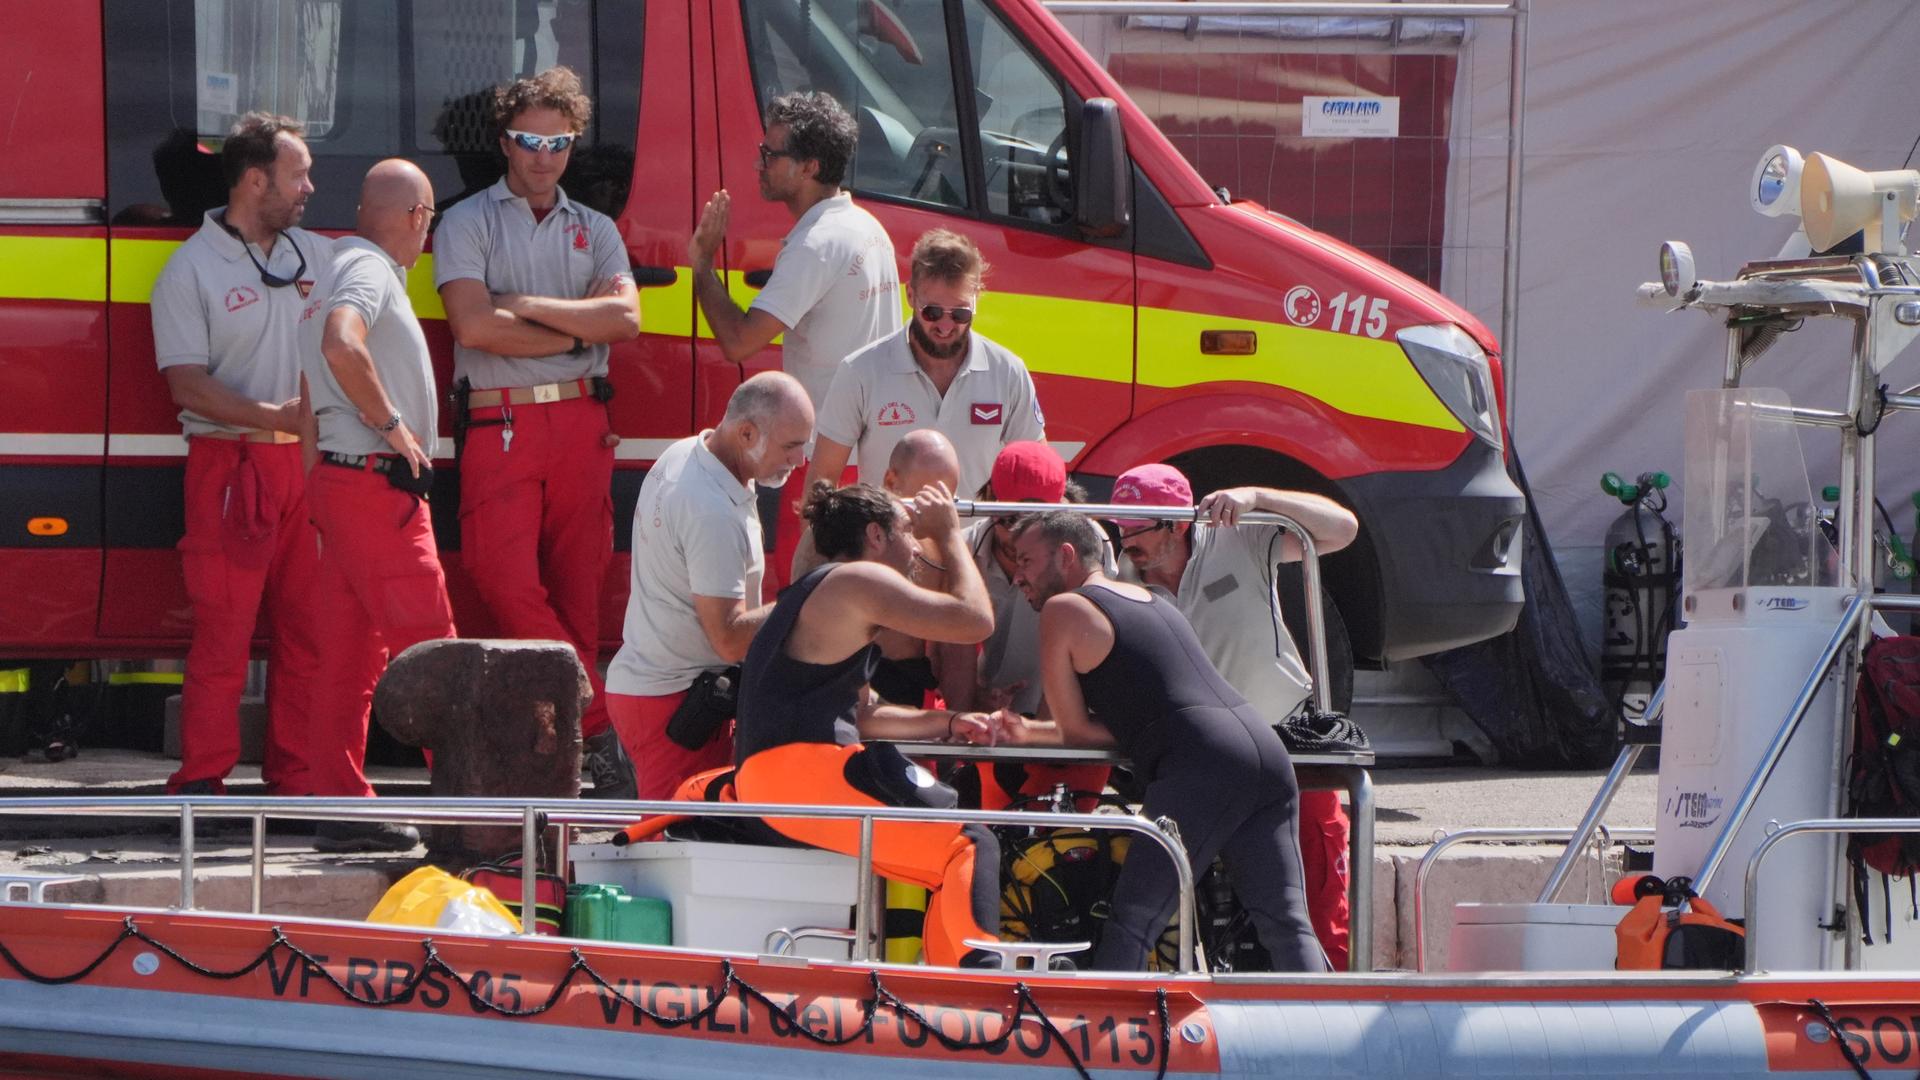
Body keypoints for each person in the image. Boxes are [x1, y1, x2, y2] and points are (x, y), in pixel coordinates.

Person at [998, 511, 1330, 973]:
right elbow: (1161, 714)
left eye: (1027, 561)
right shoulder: (1150, 597)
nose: (1017, 575)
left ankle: (1108, 1034)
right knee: (1286, 922)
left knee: (1133, 921)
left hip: (1201, 766)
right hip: (1261, 746)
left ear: (1067, 556)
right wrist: (1025, 730)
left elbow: (1073, 732)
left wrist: (1028, 730)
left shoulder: (1065, 609)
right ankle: (1323, 1033)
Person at [434, 66, 641, 798]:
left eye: (559, 142)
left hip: (584, 424)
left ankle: (564, 757)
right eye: (528, 140)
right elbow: (473, 325)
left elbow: (626, 320)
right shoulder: (464, 222)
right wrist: (575, 331)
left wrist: (522, 306)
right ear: (503, 142)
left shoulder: (598, 227)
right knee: (501, 579)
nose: (543, 155)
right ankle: (598, 725)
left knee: (578, 593)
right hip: (502, 421)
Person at [734, 481, 1006, 968]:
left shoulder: (820, 593)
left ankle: (945, 985)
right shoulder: (857, 580)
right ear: (876, 535)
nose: (916, 546)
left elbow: (863, 715)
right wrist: (949, 536)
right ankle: (979, 989)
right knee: (970, 843)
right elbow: (975, 620)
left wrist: (949, 722)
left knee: (939, 860)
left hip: (776, 778)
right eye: (908, 532)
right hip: (798, 774)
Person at [1109, 462, 1360, 968]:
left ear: (1178, 525)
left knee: (1315, 897)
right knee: (1201, 904)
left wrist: (1257, 491)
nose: (1127, 539)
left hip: (1284, 739)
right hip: (1199, 759)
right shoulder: (1122, 576)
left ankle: (1330, 1013)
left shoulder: (1238, 536)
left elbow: (1343, 529)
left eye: (1138, 527)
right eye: (1121, 526)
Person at [149, 112, 329, 797]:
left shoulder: (317, 253)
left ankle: (298, 777)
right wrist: (275, 417)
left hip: (305, 471)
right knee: (223, 639)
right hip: (231, 468)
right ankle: (201, 782)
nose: (311, 186)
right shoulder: (190, 269)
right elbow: (186, 384)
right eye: (299, 174)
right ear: (256, 181)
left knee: (310, 637)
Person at [295, 160, 453, 852]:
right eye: (430, 222)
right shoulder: (368, 272)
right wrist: (395, 430)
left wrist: (321, 494)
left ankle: (341, 805)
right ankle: (472, 809)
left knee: (348, 659)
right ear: (418, 216)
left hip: (341, 482)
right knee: (434, 650)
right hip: (376, 481)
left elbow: (308, 396)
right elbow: (341, 342)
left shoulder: (327, 267)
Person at [690, 91, 901, 587]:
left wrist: (701, 262)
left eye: (771, 154)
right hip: (866, 457)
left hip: (826, 465)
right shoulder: (865, 227)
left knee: (806, 598)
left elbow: (739, 341)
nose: (760, 164)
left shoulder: (816, 243)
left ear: (808, 166)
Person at [604, 372, 815, 800]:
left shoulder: (689, 454)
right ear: (746, 432)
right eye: (791, 446)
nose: (799, 461)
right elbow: (730, 639)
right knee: (672, 845)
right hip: (676, 703)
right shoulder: (711, 511)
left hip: (660, 692)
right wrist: (812, 598)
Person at [802, 228, 1046, 577]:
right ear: (910, 295)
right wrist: (815, 579)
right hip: (885, 562)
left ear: (977, 298)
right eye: (932, 312)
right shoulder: (861, 370)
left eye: (960, 314)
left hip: (976, 563)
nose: (946, 326)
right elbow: (821, 484)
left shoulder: (1007, 371)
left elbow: (1039, 476)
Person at [934, 441, 1111, 809]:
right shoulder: (967, 548)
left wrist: (1045, 741)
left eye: (1032, 520)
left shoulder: (1090, 544)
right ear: (991, 499)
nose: (1017, 536)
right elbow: (949, 646)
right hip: (989, 712)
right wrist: (970, 714)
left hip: (1063, 714)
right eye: (1009, 519)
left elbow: (1083, 644)